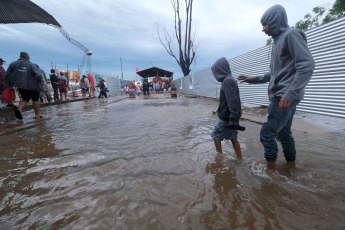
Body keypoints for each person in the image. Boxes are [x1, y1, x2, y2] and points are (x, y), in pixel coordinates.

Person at [237, 4, 315, 170]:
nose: (263, 29)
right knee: (284, 133)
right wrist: (252, 79)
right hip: (282, 96)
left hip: (283, 97)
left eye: (265, 24)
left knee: (266, 134)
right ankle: (291, 168)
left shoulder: (291, 35)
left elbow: (307, 64)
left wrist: (289, 93)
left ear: (275, 21)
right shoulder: (275, 43)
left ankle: (270, 176)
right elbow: (273, 73)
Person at [211, 57, 242, 159]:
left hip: (227, 117)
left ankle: (219, 157)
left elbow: (233, 101)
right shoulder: (230, 79)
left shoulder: (227, 81)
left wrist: (232, 118)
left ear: (220, 70)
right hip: (232, 116)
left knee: (215, 134)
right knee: (233, 137)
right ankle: (239, 158)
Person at [5, 52, 44, 119]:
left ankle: (19, 110)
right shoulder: (31, 64)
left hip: (21, 85)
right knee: (35, 99)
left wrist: (9, 84)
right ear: (27, 57)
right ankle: (37, 115)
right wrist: (42, 84)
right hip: (33, 85)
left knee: (25, 99)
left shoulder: (13, 64)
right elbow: (39, 75)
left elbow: (7, 75)